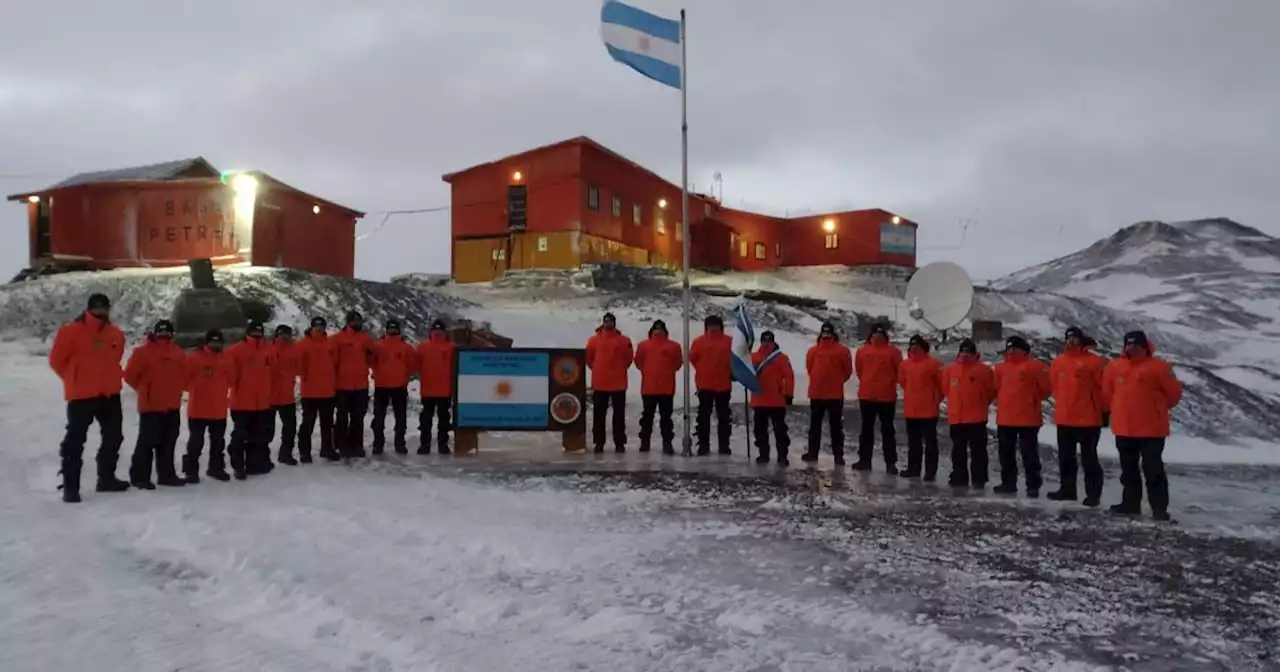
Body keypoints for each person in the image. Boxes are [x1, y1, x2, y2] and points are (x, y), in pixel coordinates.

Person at [49, 293, 129, 502]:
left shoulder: (116, 334)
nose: (100, 312)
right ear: (89, 308)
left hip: (109, 394)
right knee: (75, 442)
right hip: (81, 396)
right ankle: (71, 487)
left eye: (104, 308)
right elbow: (57, 361)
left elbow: (116, 358)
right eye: (96, 308)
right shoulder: (70, 332)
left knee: (114, 437)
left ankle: (106, 479)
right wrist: (75, 378)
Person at [1102, 330, 1182, 521]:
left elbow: (1173, 394)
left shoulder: (1160, 367)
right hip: (1124, 427)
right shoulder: (1114, 367)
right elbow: (1107, 394)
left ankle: (1159, 508)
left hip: (1151, 429)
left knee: (1153, 469)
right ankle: (1130, 504)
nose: (1132, 348)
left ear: (1144, 346)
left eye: (1136, 345)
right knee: (1128, 469)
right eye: (1128, 345)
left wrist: (1156, 408)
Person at [123, 319, 187, 490]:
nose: (164, 335)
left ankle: (166, 475)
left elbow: (185, 375)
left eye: (167, 332)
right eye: (161, 331)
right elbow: (129, 375)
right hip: (151, 405)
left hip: (172, 404)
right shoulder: (143, 352)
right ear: (155, 333)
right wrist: (144, 390)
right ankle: (139, 477)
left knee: (168, 441)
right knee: (147, 442)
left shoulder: (178, 353)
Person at [1048, 327, 1108, 506]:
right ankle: (1067, 490)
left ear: (1082, 340)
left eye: (1074, 338)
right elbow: (1054, 386)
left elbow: (1105, 390)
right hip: (1065, 418)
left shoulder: (1096, 362)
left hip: (1088, 419)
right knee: (1066, 458)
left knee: (1089, 459)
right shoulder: (1058, 362)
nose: (1070, 341)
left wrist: (1104, 412)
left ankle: (1093, 494)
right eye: (1068, 338)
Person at [993, 336, 1051, 497]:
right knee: (1006, 454)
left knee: (1029, 454)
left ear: (1022, 349)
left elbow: (1046, 389)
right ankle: (1008, 483)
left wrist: (1030, 399)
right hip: (1006, 418)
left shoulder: (1036, 366)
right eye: (1009, 348)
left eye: (1013, 348)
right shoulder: (1000, 368)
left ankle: (1033, 485)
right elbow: (996, 387)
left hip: (1028, 418)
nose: (1010, 351)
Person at [941, 339, 996, 488]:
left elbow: (991, 390)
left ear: (974, 353)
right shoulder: (950, 369)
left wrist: (980, 403)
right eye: (963, 351)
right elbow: (946, 389)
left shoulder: (983, 370)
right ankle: (959, 476)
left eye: (968, 352)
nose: (965, 354)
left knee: (978, 450)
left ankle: (979, 479)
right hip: (956, 416)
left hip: (976, 417)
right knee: (958, 449)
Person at [227, 321, 276, 479]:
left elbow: (274, 372)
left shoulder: (269, 349)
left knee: (259, 436)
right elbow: (230, 378)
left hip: (262, 402)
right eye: (254, 332)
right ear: (247, 333)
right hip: (242, 402)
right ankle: (238, 466)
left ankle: (256, 464)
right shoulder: (236, 351)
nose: (257, 334)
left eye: (259, 332)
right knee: (240, 437)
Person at [853, 323, 903, 473]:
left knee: (887, 431)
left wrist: (888, 382)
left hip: (886, 397)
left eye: (880, 334)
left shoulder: (893, 352)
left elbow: (898, 372)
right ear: (871, 334)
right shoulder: (862, 351)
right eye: (875, 334)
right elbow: (859, 370)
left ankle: (890, 463)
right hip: (867, 395)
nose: (878, 336)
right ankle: (864, 460)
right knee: (866, 430)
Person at [184, 329, 233, 483]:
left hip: (218, 409)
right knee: (195, 443)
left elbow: (231, 379)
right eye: (212, 341)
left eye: (218, 341)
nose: (215, 344)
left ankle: (216, 468)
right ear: (206, 342)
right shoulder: (194, 358)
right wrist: (196, 389)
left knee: (218, 442)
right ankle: (191, 471)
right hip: (198, 409)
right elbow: (183, 379)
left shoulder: (227, 359)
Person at [802, 322, 853, 464]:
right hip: (817, 394)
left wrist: (837, 381)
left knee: (836, 427)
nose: (826, 335)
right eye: (824, 333)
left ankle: (838, 455)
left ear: (833, 334)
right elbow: (809, 367)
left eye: (828, 333)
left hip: (834, 394)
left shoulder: (842, 351)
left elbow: (848, 370)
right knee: (814, 426)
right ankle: (813, 452)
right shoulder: (813, 350)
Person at [585, 312, 634, 453]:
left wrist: (619, 369)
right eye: (606, 321)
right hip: (600, 383)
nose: (608, 323)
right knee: (599, 416)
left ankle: (619, 443)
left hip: (618, 383)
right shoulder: (593, 340)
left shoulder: (624, 340)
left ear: (614, 323)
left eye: (610, 321)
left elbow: (629, 358)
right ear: (603, 323)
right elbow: (589, 358)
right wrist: (597, 369)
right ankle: (599, 442)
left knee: (618, 416)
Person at [897, 334, 943, 481]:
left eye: (917, 346)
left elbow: (942, 385)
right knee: (913, 442)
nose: (914, 348)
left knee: (930, 443)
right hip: (911, 409)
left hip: (928, 410)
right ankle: (913, 469)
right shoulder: (905, 365)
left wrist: (934, 399)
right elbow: (903, 382)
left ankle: (930, 471)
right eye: (912, 346)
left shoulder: (934, 364)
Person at [634, 319, 682, 454]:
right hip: (666, 387)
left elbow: (638, 362)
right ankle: (667, 444)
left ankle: (645, 443)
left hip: (649, 387)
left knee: (647, 417)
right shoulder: (674, 346)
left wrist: (648, 371)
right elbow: (678, 364)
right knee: (666, 418)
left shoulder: (644, 345)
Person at [689, 314, 733, 456]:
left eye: (715, 325)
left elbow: (736, 360)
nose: (713, 328)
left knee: (723, 418)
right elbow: (693, 358)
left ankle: (723, 446)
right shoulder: (699, 342)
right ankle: (704, 445)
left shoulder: (729, 342)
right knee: (705, 417)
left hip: (721, 384)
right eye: (711, 325)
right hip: (706, 384)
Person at [332, 310, 375, 458]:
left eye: (359, 321)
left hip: (361, 384)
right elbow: (332, 362)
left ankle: (356, 445)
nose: (357, 323)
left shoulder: (365, 338)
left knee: (358, 418)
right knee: (342, 417)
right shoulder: (337, 339)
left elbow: (372, 358)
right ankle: (341, 444)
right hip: (342, 385)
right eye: (354, 320)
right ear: (348, 322)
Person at [750, 330, 795, 465]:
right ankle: (763, 454)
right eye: (764, 340)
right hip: (759, 399)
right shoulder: (753, 357)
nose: (766, 343)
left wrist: (788, 394)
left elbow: (788, 377)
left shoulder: (781, 358)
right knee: (760, 430)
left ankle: (782, 455)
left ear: (773, 341)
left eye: (768, 341)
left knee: (780, 430)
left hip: (776, 400)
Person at [371, 318, 415, 455]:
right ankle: (378, 444)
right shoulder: (377, 346)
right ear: (386, 330)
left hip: (399, 386)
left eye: (394, 329)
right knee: (378, 418)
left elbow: (413, 365)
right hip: (381, 386)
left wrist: (404, 377)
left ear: (399, 330)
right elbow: (371, 362)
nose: (392, 331)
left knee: (400, 418)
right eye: (390, 328)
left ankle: (400, 444)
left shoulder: (406, 348)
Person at [298, 317, 338, 462]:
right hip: (310, 391)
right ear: (312, 327)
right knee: (308, 423)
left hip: (328, 391)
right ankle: (304, 452)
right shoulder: (302, 344)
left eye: (321, 326)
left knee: (327, 423)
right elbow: (299, 366)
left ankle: (327, 449)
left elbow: (336, 362)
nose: (319, 329)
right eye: (317, 327)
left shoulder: (330, 343)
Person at [415, 319, 455, 454]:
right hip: (428, 390)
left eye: (440, 331)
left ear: (444, 332)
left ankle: (443, 445)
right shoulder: (423, 347)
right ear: (431, 332)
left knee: (444, 421)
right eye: (435, 330)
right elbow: (415, 365)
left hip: (445, 390)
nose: (438, 333)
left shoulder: (452, 348)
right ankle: (424, 445)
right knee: (425, 421)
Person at [268, 325, 302, 466]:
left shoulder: (294, 349)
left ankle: (285, 453)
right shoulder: (267, 349)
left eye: (288, 334)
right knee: (266, 429)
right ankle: (261, 454)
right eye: (283, 335)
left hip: (287, 395)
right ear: (277, 335)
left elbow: (299, 368)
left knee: (290, 427)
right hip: (269, 395)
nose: (285, 337)